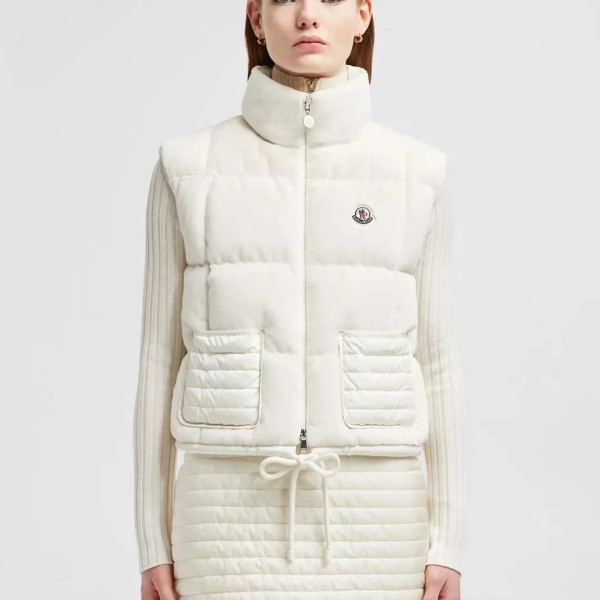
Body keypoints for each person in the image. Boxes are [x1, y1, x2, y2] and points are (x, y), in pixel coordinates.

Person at [133, 1, 467, 599]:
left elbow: (439, 363)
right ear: (257, 19)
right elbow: (159, 360)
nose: (309, 16)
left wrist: (450, 542)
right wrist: (151, 542)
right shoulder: (186, 170)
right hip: (224, 518)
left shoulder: (417, 174)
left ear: (362, 16)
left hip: (378, 518)